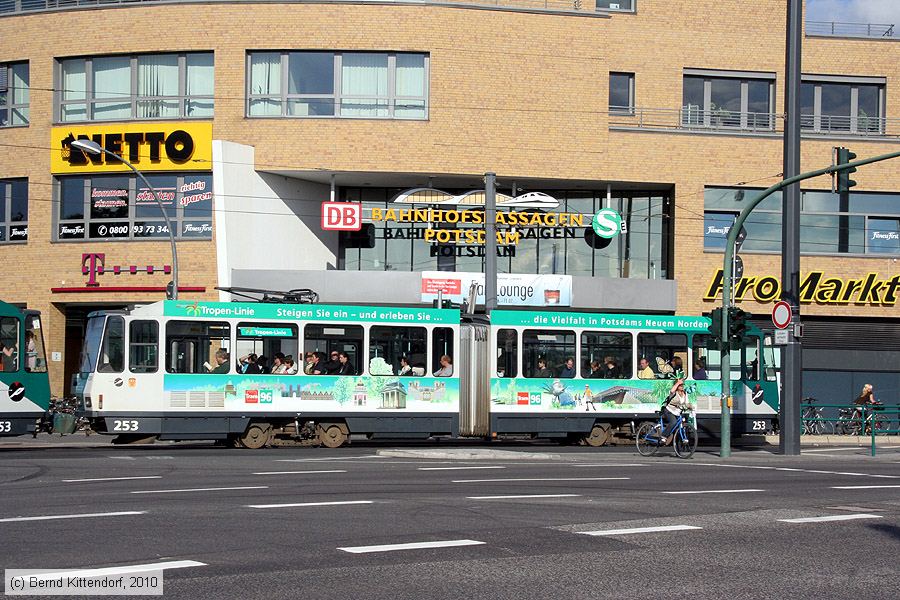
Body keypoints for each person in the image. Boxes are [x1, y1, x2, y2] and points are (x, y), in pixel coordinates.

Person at [660, 378, 693, 445]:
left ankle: (682, 438)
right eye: (680, 385)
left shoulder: (685, 394)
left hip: (677, 412)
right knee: (673, 422)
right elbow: (672, 391)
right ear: (677, 386)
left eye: (682, 385)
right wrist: (677, 383)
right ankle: (663, 436)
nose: (682, 386)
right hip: (669, 410)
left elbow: (686, 403)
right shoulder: (674, 393)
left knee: (682, 422)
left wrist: (691, 407)